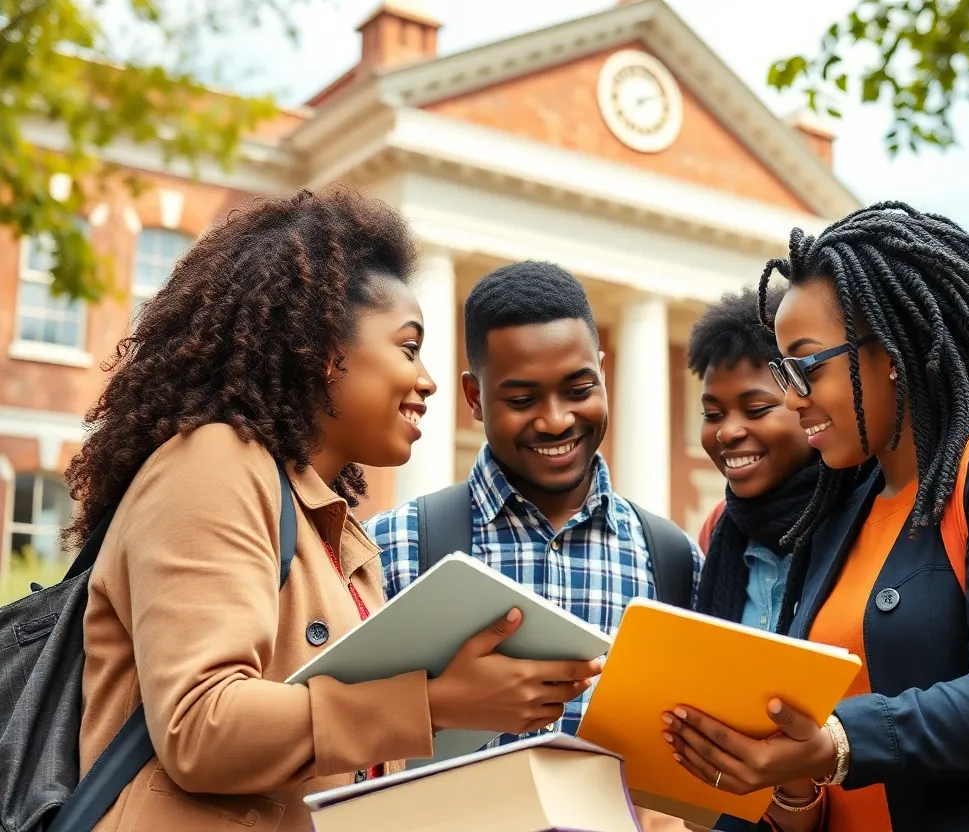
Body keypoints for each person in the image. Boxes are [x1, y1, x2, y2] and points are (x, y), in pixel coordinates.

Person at [69, 189, 602, 832]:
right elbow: (200, 727)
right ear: (325, 350)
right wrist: (432, 703)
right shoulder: (212, 463)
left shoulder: (335, 528)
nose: (429, 379)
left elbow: (339, 757)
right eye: (409, 347)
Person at [661, 204, 969, 832]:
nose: (794, 399)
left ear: (895, 351)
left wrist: (836, 742)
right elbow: (824, 771)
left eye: (807, 365)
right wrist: (788, 780)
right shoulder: (841, 509)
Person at [368, 260, 703, 748]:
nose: (555, 420)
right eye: (523, 400)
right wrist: (434, 704)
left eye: (579, 389)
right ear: (474, 397)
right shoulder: (393, 547)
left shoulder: (674, 561)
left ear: (603, 376)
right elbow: (340, 744)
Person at [688, 286, 819, 631]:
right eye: (712, 414)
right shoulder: (719, 528)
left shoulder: (868, 511)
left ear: (808, 403)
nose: (728, 432)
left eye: (756, 409)